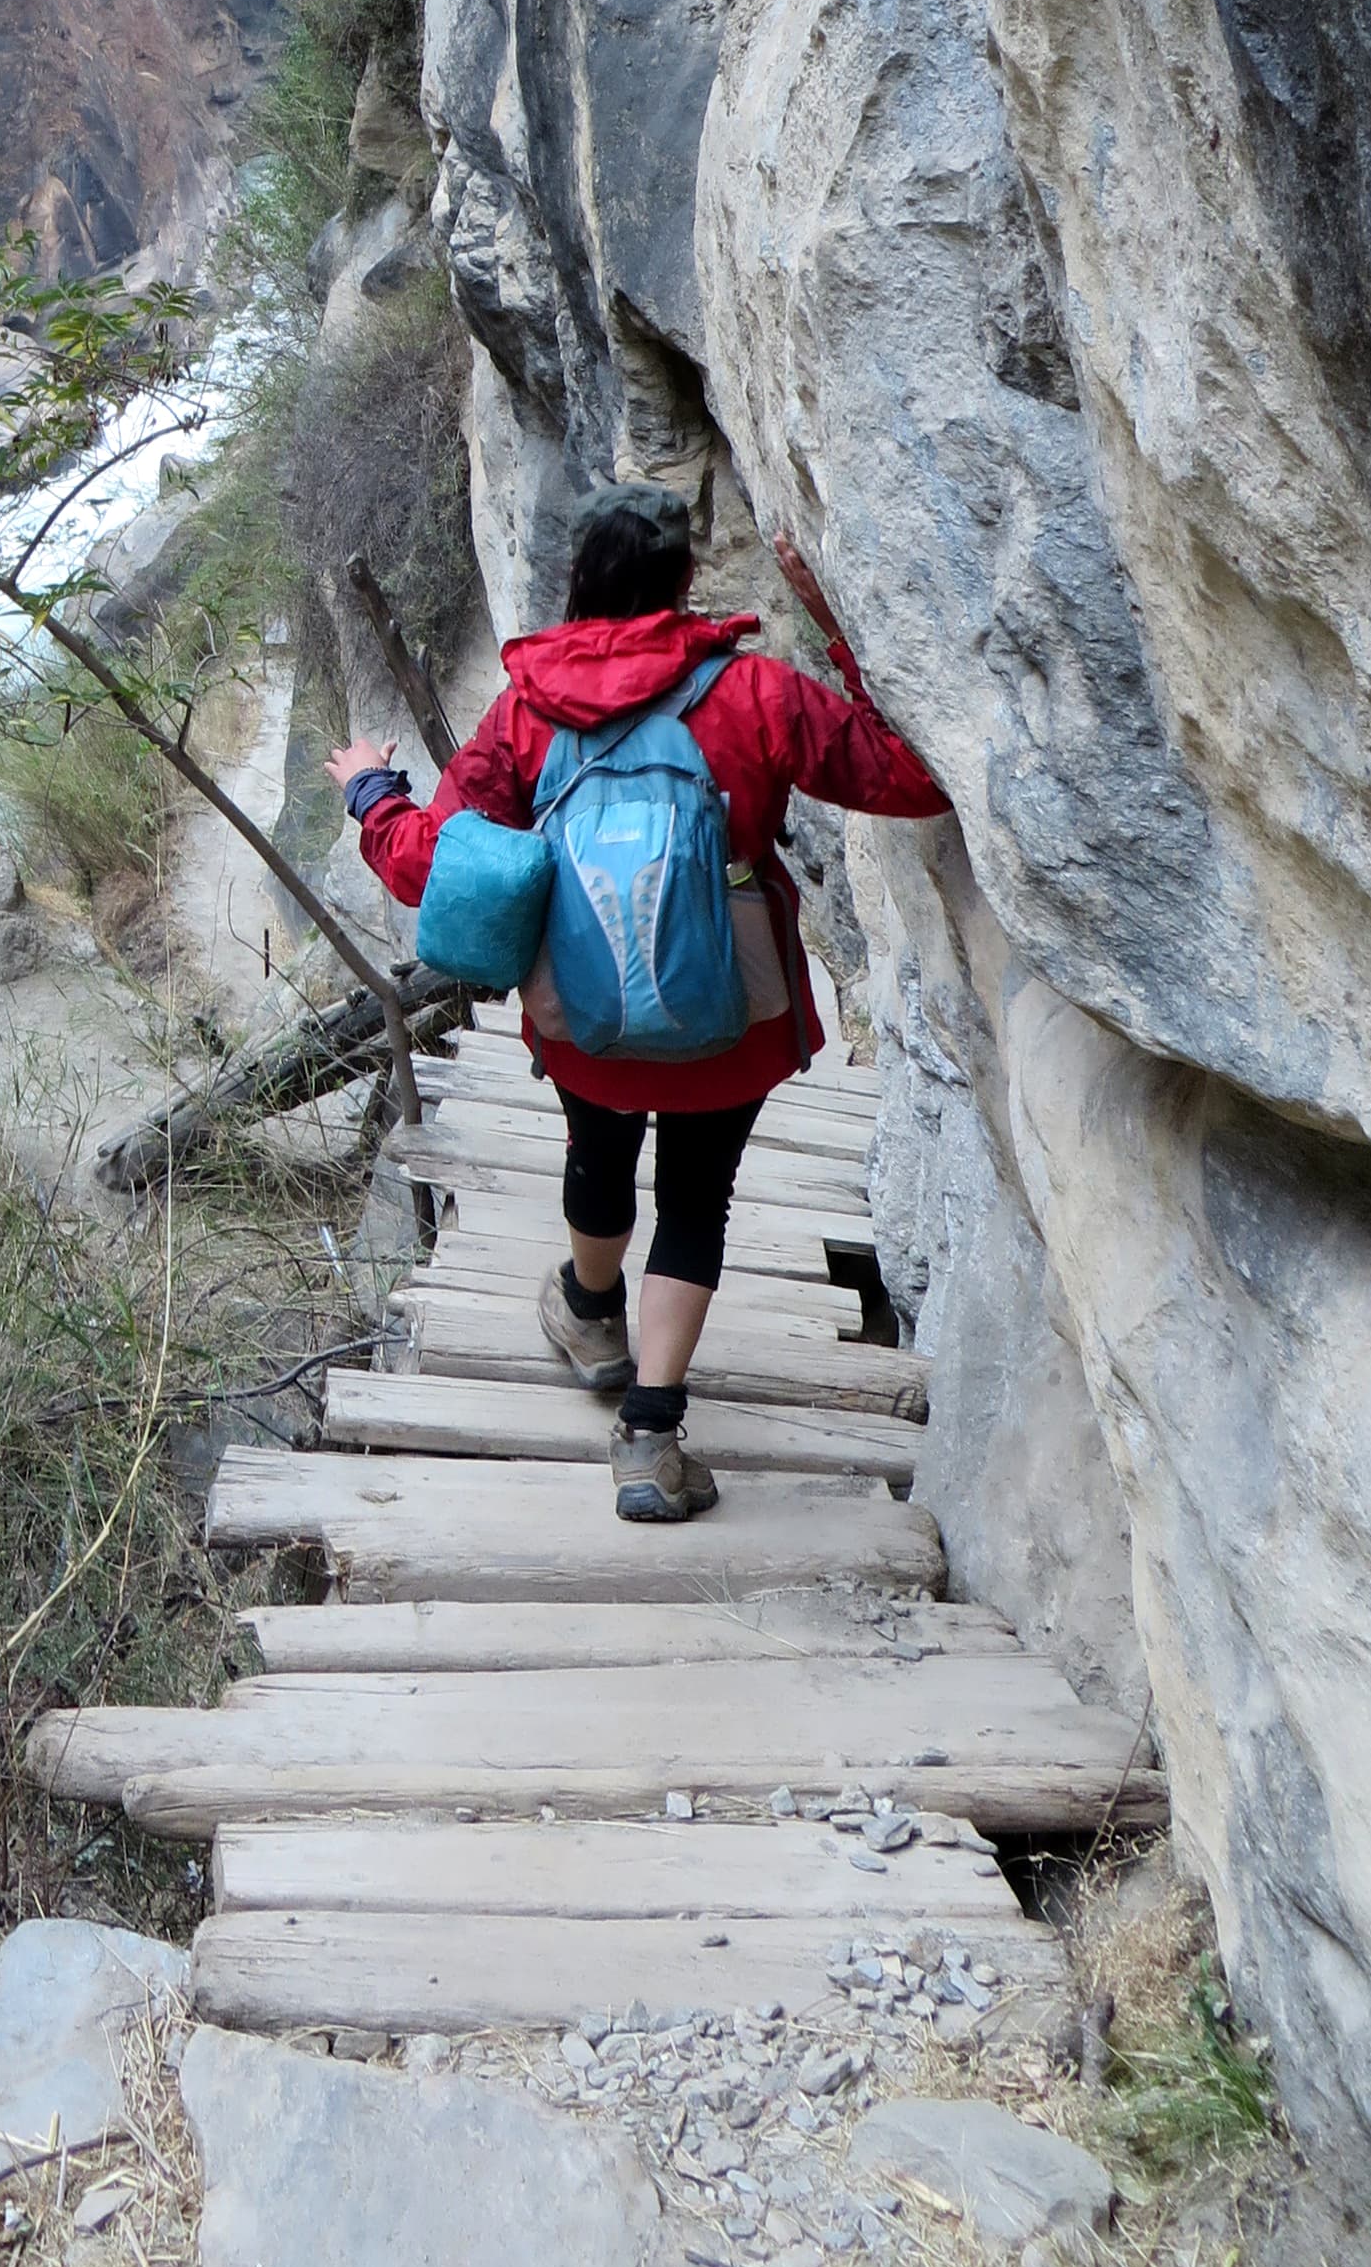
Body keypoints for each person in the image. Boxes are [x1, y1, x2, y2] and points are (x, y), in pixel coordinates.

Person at [326, 487, 948, 1524]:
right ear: (682, 585)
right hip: (729, 1013)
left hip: (586, 1013)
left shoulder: (528, 710)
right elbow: (910, 776)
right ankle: (652, 1439)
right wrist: (838, 627)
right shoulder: (752, 693)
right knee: (697, 1203)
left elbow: (427, 867)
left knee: (598, 1156)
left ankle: (588, 1311)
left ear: (578, 581)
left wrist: (370, 792)